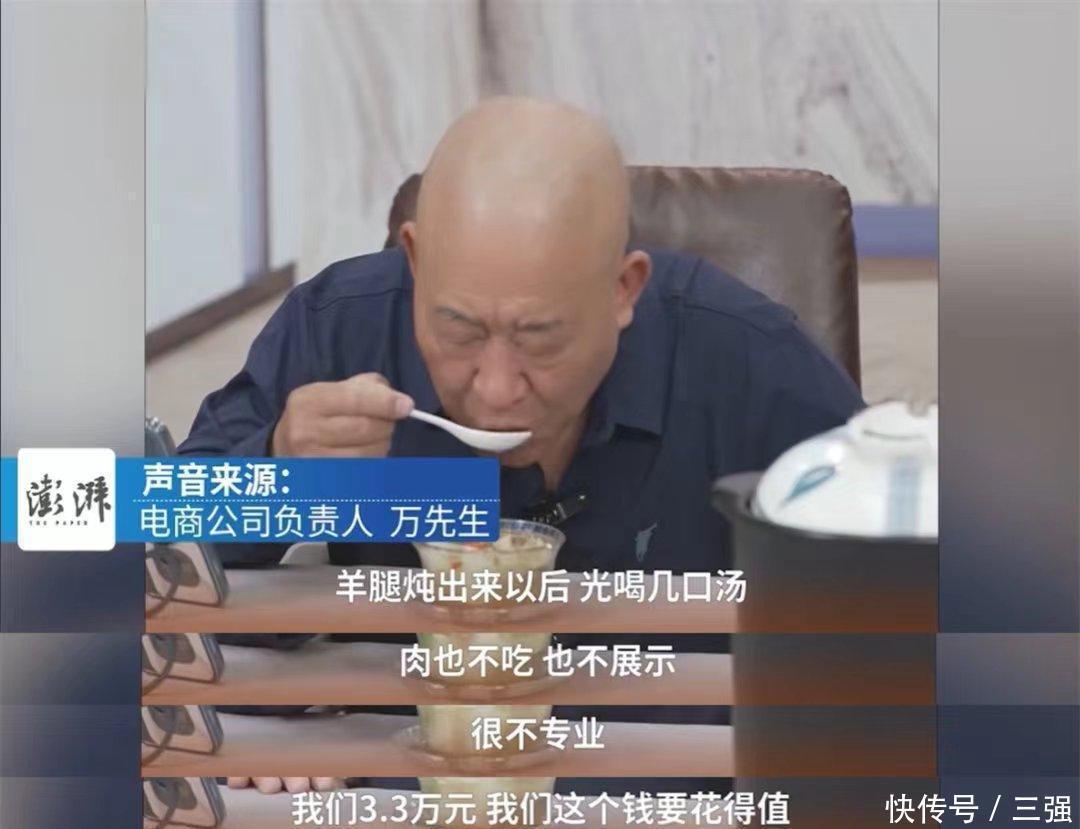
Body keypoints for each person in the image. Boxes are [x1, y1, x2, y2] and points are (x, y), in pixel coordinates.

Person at [180, 97, 864, 795]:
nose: (497, 389)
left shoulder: (743, 357)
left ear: (624, 289)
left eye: (541, 338)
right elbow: (156, 557)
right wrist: (278, 471)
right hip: (406, 786)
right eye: (460, 331)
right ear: (414, 258)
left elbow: (893, 606)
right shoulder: (340, 328)